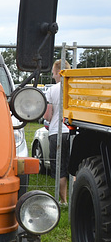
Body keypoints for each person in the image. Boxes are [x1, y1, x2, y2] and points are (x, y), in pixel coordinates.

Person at [44, 59, 70, 204]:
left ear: (59, 73)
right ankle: (75, 198)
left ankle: (63, 201)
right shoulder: (75, 86)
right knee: (73, 166)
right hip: (73, 132)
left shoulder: (51, 90)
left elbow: (47, 115)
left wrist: (45, 116)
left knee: (59, 168)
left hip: (56, 132)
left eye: (53, 73)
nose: (53, 76)